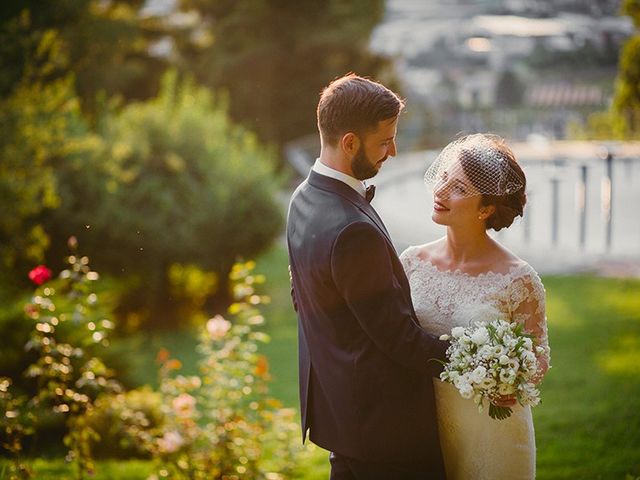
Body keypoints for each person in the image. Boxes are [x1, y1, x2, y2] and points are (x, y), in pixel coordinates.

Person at [286, 73, 449, 479]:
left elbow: (306, 299)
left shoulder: (303, 198)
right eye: (385, 141)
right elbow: (398, 338)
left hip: (344, 421)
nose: (393, 151)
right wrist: (479, 360)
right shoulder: (351, 231)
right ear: (349, 143)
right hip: (386, 436)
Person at [400, 133, 551, 480]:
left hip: (493, 433)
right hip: (423, 426)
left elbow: (539, 356)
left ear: (486, 208)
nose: (440, 191)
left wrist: (508, 380)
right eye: (443, 179)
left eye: (459, 188)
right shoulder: (411, 263)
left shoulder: (519, 280)